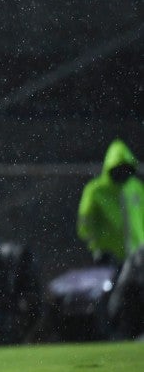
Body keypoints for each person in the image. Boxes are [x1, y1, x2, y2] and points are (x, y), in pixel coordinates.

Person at [77, 139, 144, 338]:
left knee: (135, 299)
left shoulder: (136, 188)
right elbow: (84, 224)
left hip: (137, 258)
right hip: (109, 259)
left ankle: (135, 334)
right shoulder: (96, 190)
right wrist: (98, 248)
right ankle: (111, 336)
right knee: (111, 302)